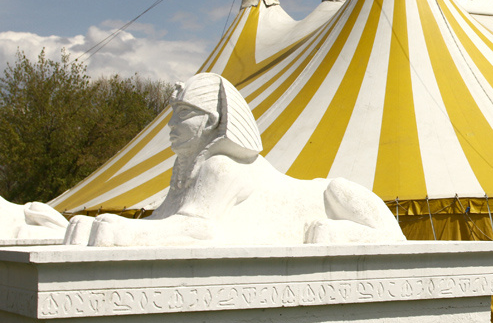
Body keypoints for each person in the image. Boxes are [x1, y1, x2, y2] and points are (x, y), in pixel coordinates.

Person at [67, 73, 405, 246]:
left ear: (212, 120)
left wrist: (119, 232)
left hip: (332, 204)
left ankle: (374, 235)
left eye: (183, 114)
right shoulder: (189, 168)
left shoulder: (222, 166)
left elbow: (198, 228)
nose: (171, 125)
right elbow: (165, 219)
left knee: (338, 188)